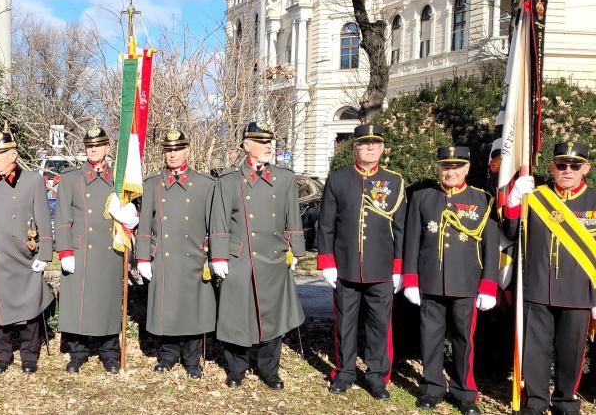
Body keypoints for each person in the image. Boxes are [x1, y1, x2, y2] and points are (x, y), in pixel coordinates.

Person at [402, 146, 499, 414]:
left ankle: (464, 392)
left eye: (456, 166)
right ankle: (432, 388)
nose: (451, 171)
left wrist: (488, 285)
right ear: (438, 168)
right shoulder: (422, 198)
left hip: (467, 284)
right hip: (430, 281)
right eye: (445, 166)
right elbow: (411, 241)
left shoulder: (482, 200)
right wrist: (410, 279)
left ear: (467, 168)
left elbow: (491, 248)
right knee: (429, 337)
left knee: (464, 340)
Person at [209, 121, 305, 390]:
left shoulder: (284, 179)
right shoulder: (228, 181)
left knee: (271, 317)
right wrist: (218, 257)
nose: (268, 147)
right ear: (246, 146)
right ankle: (236, 368)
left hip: (273, 257)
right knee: (237, 316)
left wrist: (296, 250)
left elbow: (293, 217)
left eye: (270, 142)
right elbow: (220, 220)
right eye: (262, 143)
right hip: (239, 259)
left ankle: (269, 370)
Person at [504, 142, 596, 415]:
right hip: (538, 286)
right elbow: (510, 232)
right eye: (561, 165)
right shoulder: (536, 197)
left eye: (574, 165)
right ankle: (536, 401)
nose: (567, 170)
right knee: (535, 351)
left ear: (586, 169)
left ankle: (566, 402)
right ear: (552, 167)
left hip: (579, 291)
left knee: (571, 352)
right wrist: (513, 200)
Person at [315, 124, 406, 400]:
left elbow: (401, 228)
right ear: (355, 147)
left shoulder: (394, 181)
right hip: (346, 266)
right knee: (345, 323)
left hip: (381, 267)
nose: (370, 148)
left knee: (380, 324)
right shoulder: (338, 179)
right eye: (365, 144)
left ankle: (377, 376)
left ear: (381, 148)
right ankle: (344, 372)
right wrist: (327, 261)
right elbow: (326, 223)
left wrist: (399, 268)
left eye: (375, 144)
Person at [0, 124, 54, 374]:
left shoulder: (32, 181)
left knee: (29, 307)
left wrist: (44, 254)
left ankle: (29, 354)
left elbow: (43, 219)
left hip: (25, 256)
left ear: (13, 155)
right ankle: (2, 354)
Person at [54, 126, 138, 374]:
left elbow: (135, 211)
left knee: (108, 302)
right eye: (90, 146)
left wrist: (130, 217)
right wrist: (65, 251)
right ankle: (77, 352)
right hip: (80, 251)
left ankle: (109, 352)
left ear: (107, 148)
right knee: (77, 302)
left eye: (99, 146)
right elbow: (62, 218)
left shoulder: (120, 178)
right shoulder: (71, 178)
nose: (94, 150)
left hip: (109, 249)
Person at [135, 128, 217, 379]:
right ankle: (168, 356)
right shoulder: (152, 184)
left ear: (187, 151)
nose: (172, 155)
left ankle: (192, 360)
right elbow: (145, 224)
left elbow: (215, 225)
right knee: (166, 310)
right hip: (164, 257)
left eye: (177, 150)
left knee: (193, 310)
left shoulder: (206, 185)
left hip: (194, 257)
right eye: (168, 150)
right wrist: (142, 257)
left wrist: (216, 257)